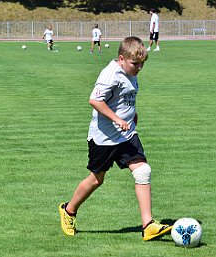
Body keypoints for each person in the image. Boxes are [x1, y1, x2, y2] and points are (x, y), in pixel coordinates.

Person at [59, 36, 172, 240]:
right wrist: (117, 118)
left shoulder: (130, 71)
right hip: (104, 137)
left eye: (141, 64)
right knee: (96, 180)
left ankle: (148, 225)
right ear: (121, 59)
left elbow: (125, 97)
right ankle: (69, 210)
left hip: (127, 135)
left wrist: (131, 113)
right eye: (135, 64)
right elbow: (94, 100)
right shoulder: (111, 74)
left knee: (143, 171)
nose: (139, 68)